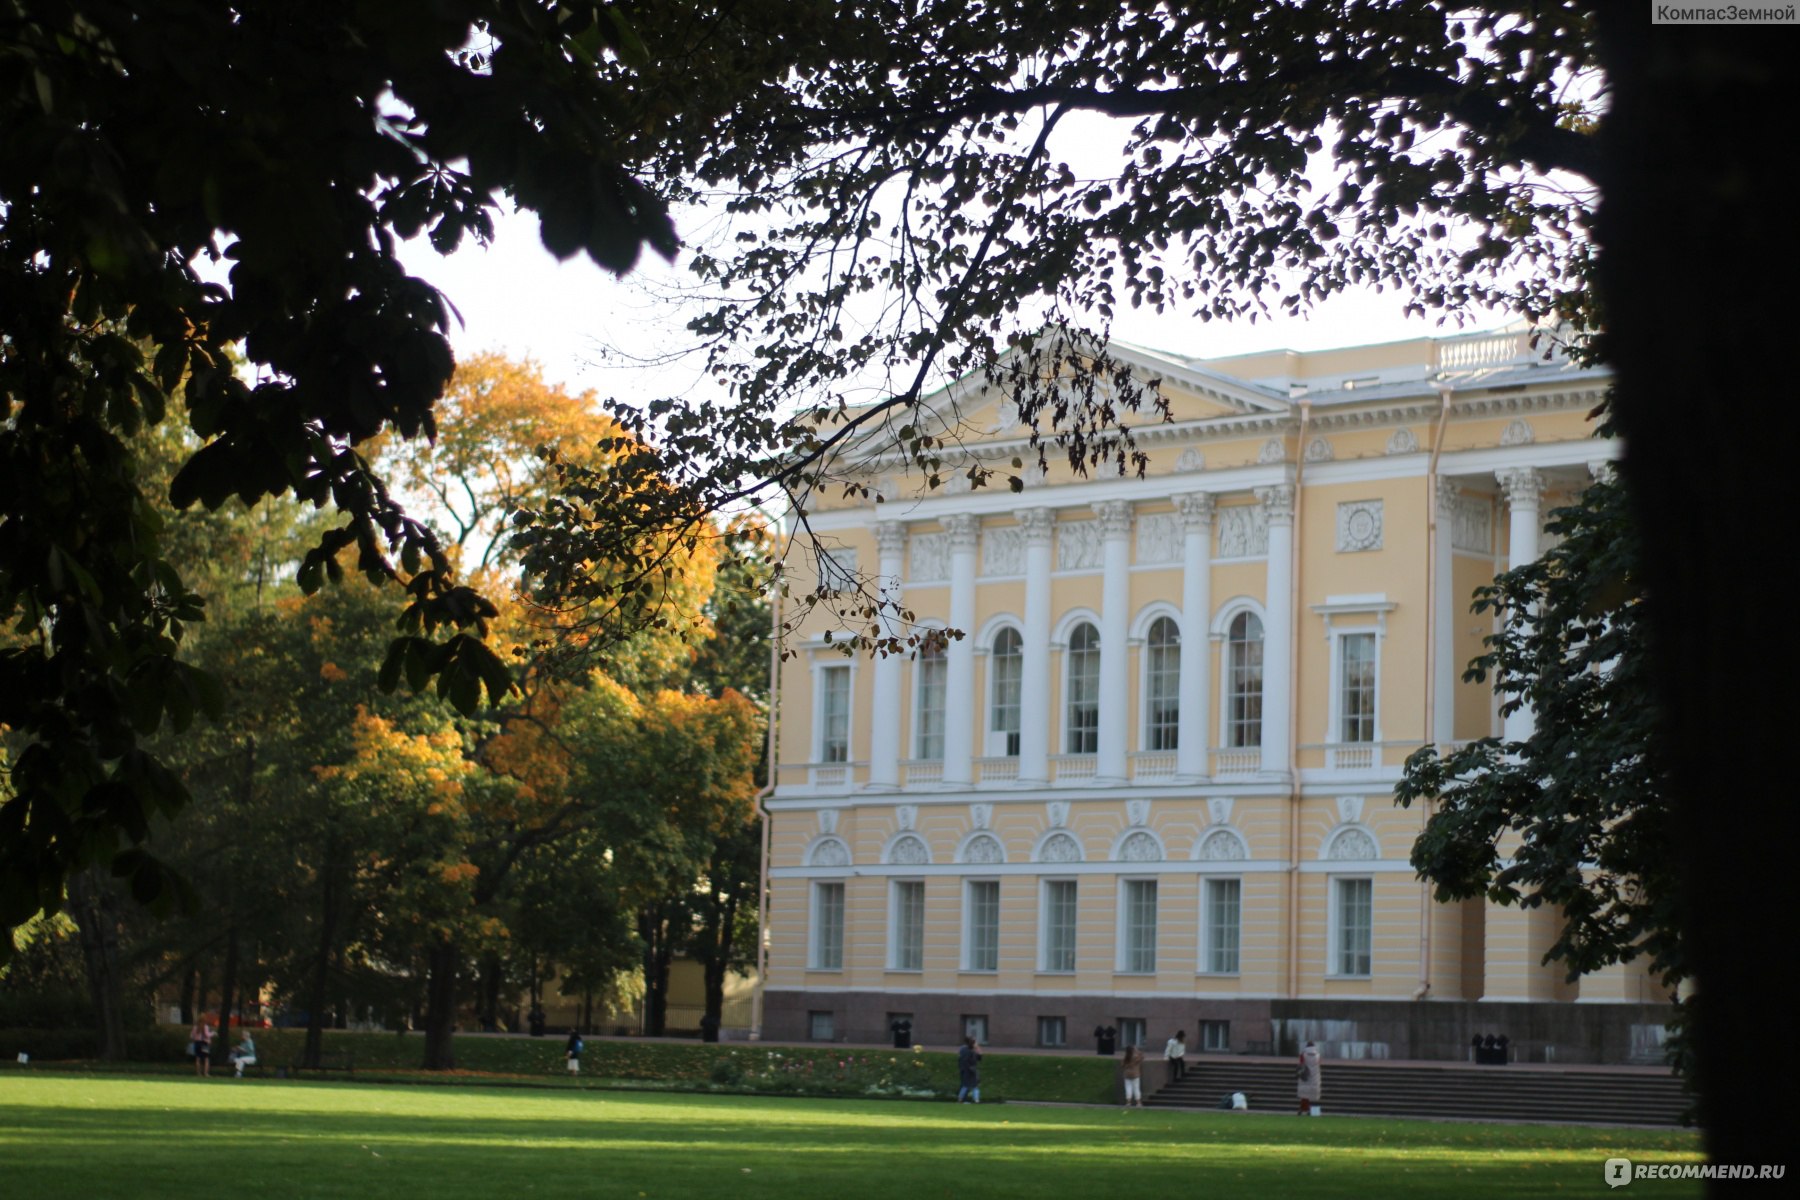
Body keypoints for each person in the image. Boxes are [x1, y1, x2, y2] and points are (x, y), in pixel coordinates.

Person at [1296, 1039, 1322, 1115]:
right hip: (1314, 1076)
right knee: (1312, 1094)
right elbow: (1318, 1064)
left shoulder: (1303, 1054)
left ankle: (1303, 1109)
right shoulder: (1318, 1055)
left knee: (1304, 1094)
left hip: (1305, 1075)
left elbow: (1301, 1064)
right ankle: (1310, 1110)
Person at [956, 1035, 982, 1104]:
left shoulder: (963, 1049)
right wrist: (978, 1049)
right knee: (974, 1086)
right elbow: (978, 1058)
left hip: (965, 1070)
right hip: (971, 1070)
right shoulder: (971, 1052)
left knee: (965, 1085)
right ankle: (976, 1099)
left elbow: (961, 1060)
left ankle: (960, 1099)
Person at [1121, 1043, 1144, 1108]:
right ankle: (1138, 1103)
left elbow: (1122, 1065)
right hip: (1135, 1074)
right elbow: (1142, 1057)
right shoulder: (1135, 1057)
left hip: (1127, 1074)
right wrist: (1137, 1051)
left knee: (1128, 1088)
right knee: (1136, 1088)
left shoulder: (1126, 1057)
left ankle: (1128, 1102)